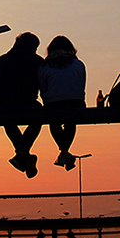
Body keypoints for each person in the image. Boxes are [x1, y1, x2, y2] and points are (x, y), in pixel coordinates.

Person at [0, 32, 45, 178]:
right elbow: (43, 86)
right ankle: (22, 153)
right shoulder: (38, 61)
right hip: (27, 105)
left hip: (2, 106)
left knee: (8, 120)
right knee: (39, 116)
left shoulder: (1, 60)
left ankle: (23, 155)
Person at [38, 36, 87, 171]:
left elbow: (43, 89)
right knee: (71, 122)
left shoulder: (44, 66)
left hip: (53, 105)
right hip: (76, 103)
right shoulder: (78, 64)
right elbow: (82, 86)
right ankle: (65, 152)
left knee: (54, 123)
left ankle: (64, 151)